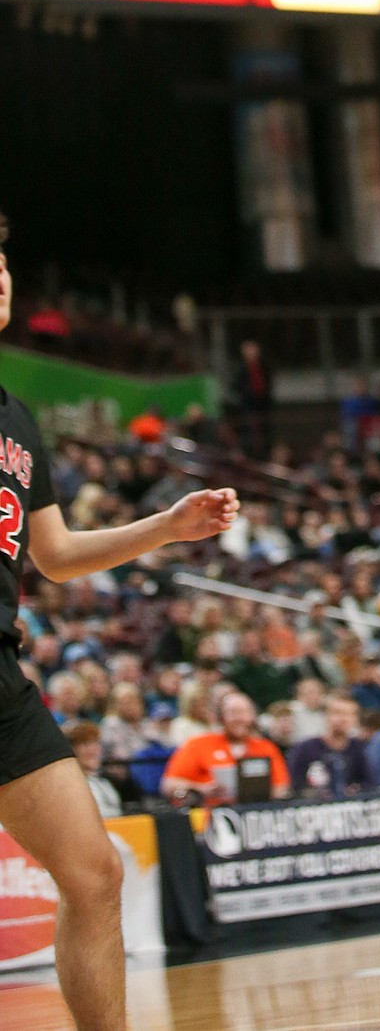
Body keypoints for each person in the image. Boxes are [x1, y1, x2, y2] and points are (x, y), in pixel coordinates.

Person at [0, 218, 238, 1031]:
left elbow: (56, 555)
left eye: (0, 259)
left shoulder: (19, 420)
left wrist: (164, 528)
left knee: (96, 873)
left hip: (2, 678)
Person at [161, 689, 291, 805]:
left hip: (255, 816)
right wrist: (201, 789)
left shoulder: (266, 747)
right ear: (221, 717)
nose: (240, 719)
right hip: (209, 815)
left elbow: (282, 787)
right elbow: (168, 784)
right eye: (233, 713)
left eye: (244, 712)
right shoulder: (199, 744)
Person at [287, 691, 375, 797]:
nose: (344, 719)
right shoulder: (305, 748)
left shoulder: (359, 748)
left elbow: (370, 783)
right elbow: (296, 785)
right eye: (338, 712)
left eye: (350, 714)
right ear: (325, 715)